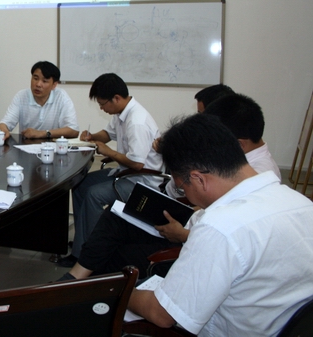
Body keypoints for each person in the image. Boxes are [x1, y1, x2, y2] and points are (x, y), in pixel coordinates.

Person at [59, 92, 280, 281]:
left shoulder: (256, 175)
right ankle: (74, 278)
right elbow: (188, 195)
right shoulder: (234, 163)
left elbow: (226, 239)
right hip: (186, 218)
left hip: (188, 235)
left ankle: (85, 290)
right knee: (116, 216)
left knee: (115, 252)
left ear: (238, 143)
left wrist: (183, 234)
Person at [127, 113, 313, 336]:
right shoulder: (300, 203)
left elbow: (161, 314)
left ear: (199, 179)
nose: (186, 195)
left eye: (182, 188)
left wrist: (121, 293)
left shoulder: (219, 228)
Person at [57, 73, 162, 267]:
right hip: (126, 174)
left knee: (93, 194)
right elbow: (107, 134)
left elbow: (137, 164)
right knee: (80, 185)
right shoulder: (121, 113)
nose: (101, 108)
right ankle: (83, 239)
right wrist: (92, 137)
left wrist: (109, 152)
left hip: (142, 182)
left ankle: (88, 254)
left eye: (102, 103)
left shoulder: (137, 121)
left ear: (116, 98)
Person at [0, 61, 79, 140]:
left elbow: (73, 130)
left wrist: (42, 133)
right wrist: (3, 129)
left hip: (52, 147)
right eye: (35, 78)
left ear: (54, 85)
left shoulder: (61, 97)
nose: (38, 84)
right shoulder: (21, 96)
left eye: (44, 81)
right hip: (25, 146)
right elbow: (4, 124)